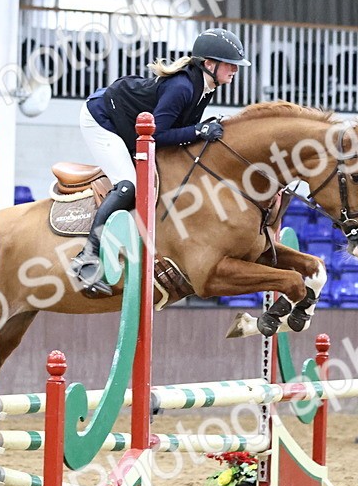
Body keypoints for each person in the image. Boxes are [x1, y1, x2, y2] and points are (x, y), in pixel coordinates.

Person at [71, 27, 251, 296]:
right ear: (209, 64)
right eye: (230, 65)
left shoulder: (206, 87)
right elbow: (159, 134)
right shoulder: (181, 87)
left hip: (131, 123)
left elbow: (181, 130)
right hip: (102, 118)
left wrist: (201, 130)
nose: (235, 70)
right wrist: (199, 131)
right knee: (128, 185)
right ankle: (86, 257)